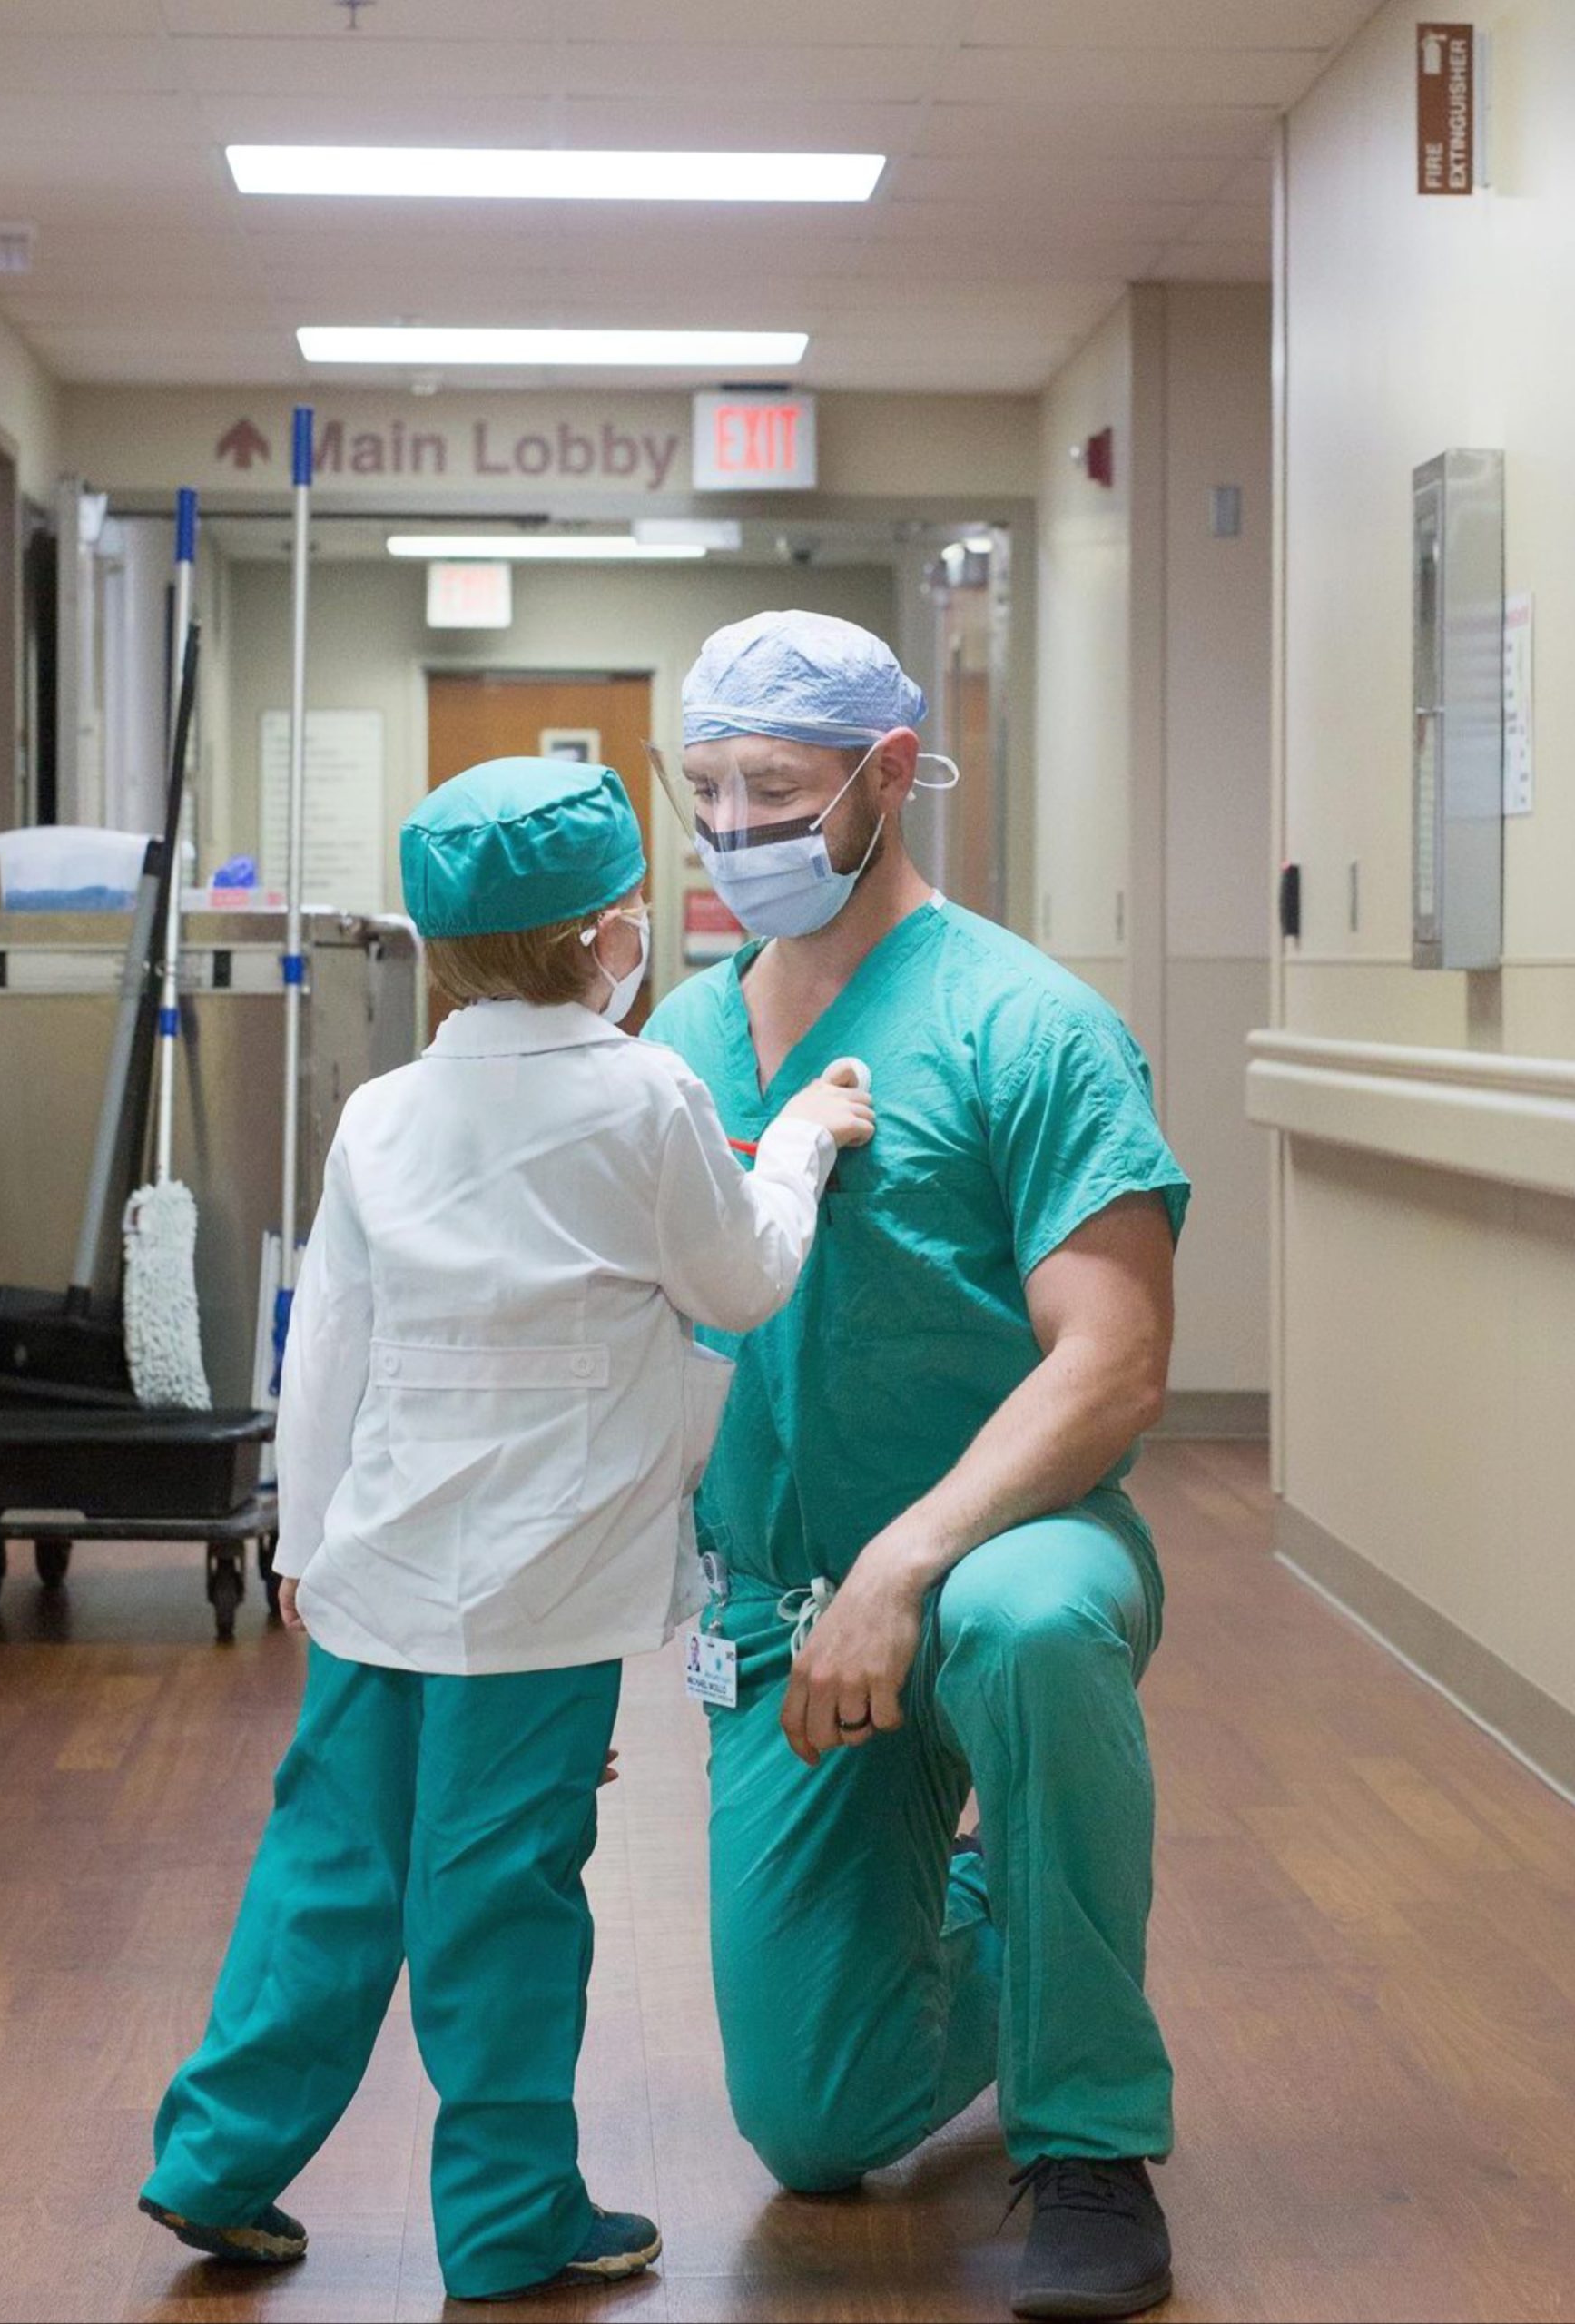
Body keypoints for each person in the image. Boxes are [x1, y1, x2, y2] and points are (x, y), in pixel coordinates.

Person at [138, 756, 873, 2303]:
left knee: (326, 1874)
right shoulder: (649, 1096)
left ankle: (216, 2159)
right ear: (610, 934)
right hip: (539, 1604)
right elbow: (742, 1284)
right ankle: (510, 2217)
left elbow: (324, 1343)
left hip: (378, 1571)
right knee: (502, 1900)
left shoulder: (385, 1114)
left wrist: (297, 1544)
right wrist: (800, 1139)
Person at [643, 613, 1191, 2322]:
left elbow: (1113, 1358)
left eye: (779, 794)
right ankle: (1019, 1903)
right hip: (781, 1608)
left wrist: (906, 1566)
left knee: (1024, 1632)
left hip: (1011, 1545)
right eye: (709, 791)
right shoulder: (677, 1036)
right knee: (819, 2122)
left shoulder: (1028, 1026)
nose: (738, 835)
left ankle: (1091, 2146)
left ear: (891, 778)